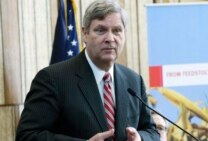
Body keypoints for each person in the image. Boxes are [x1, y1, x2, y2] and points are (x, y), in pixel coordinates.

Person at [15, 0, 160, 141]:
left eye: (116, 31)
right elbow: (27, 135)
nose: (110, 38)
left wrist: (140, 138)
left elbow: (151, 131)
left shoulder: (133, 80)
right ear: (85, 34)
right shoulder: (52, 79)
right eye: (101, 30)